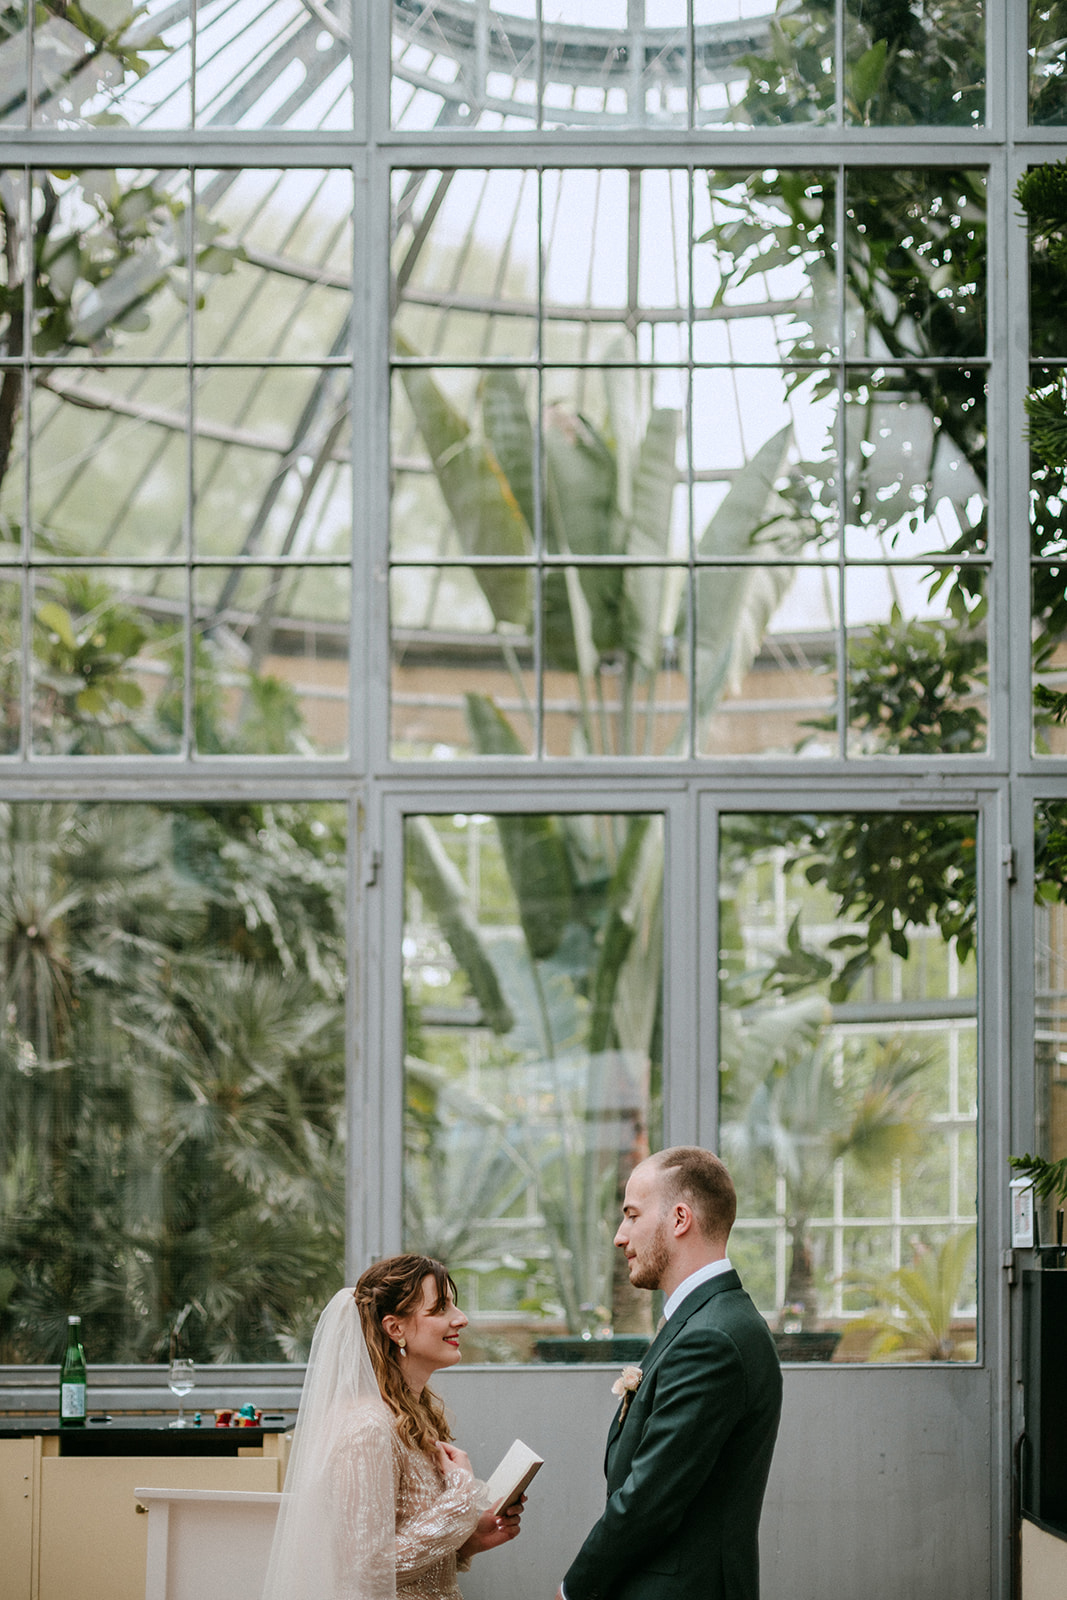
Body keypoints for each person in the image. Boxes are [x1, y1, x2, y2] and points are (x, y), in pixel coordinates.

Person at [556, 1147, 782, 1600]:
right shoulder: (710, 1320)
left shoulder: (711, 1338)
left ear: (680, 1219)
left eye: (632, 1216)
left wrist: (572, 1591)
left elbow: (648, 1500)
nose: (620, 1236)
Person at [262, 1254, 522, 1600]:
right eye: (441, 1308)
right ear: (395, 1328)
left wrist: (467, 1542)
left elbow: (402, 1549)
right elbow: (366, 1570)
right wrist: (461, 1499)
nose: (461, 1319)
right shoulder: (367, 1428)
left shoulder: (411, 1417)